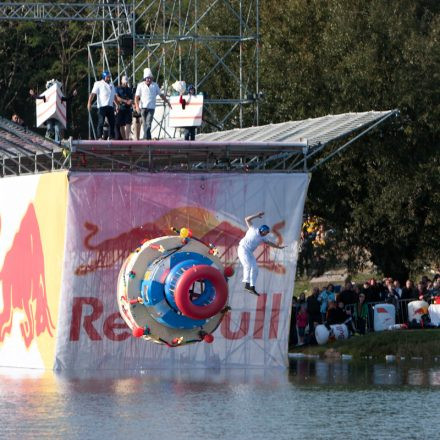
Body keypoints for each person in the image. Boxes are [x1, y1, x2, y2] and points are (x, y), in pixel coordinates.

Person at [237, 211, 286, 296]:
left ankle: (252, 287)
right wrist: (256, 215)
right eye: (266, 232)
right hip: (243, 249)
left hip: (249, 252)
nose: (266, 234)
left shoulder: (263, 238)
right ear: (262, 230)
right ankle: (246, 284)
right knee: (248, 265)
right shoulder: (253, 229)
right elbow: (246, 219)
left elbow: (270, 243)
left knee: (255, 268)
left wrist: (279, 247)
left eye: (267, 233)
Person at [135, 68, 171, 140]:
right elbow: (136, 97)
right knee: (144, 124)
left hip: (151, 108)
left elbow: (161, 95)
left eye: (150, 78)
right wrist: (137, 106)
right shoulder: (140, 85)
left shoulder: (155, 85)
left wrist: (167, 101)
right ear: (145, 78)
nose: (149, 80)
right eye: (147, 78)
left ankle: (147, 138)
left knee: (148, 123)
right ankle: (147, 138)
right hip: (143, 107)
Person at [87, 71, 117, 140]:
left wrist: (117, 104)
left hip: (110, 106)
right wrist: (89, 103)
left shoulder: (111, 85)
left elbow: (114, 96)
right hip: (102, 106)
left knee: (112, 122)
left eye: (109, 77)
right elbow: (93, 94)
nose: (109, 78)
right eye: (107, 77)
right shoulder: (98, 83)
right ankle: (99, 136)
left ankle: (111, 136)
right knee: (101, 122)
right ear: (104, 77)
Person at [115, 75, 134, 140]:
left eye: (126, 82)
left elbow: (132, 98)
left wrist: (131, 101)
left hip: (128, 108)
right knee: (121, 124)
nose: (125, 83)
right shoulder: (117, 88)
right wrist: (126, 101)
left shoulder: (129, 89)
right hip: (121, 108)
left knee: (128, 123)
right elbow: (117, 98)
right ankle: (124, 139)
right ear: (121, 81)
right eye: (124, 82)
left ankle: (127, 138)